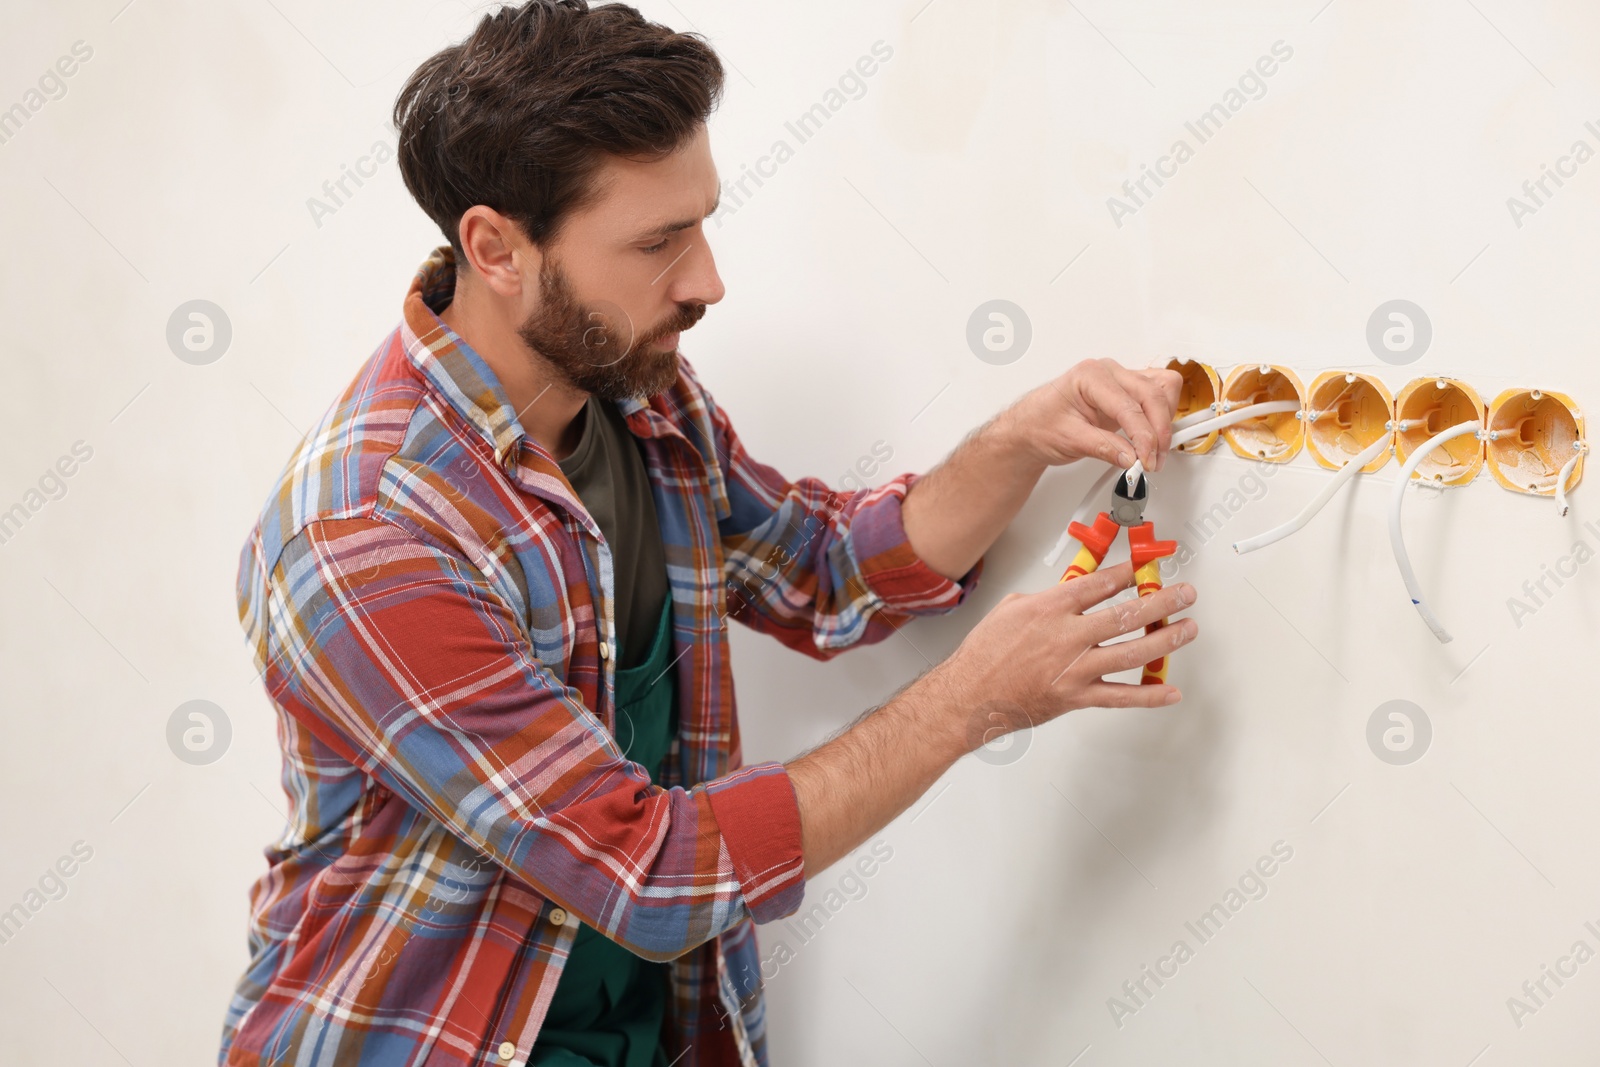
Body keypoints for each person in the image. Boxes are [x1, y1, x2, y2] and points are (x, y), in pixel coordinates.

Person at [217, 3, 1198, 1065]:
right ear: (496, 248)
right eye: (657, 241)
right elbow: (646, 870)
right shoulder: (369, 531)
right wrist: (976, 698)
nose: (706, 280)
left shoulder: (636, 392)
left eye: (701, 220)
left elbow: (820, 569)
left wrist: (1017, 439)